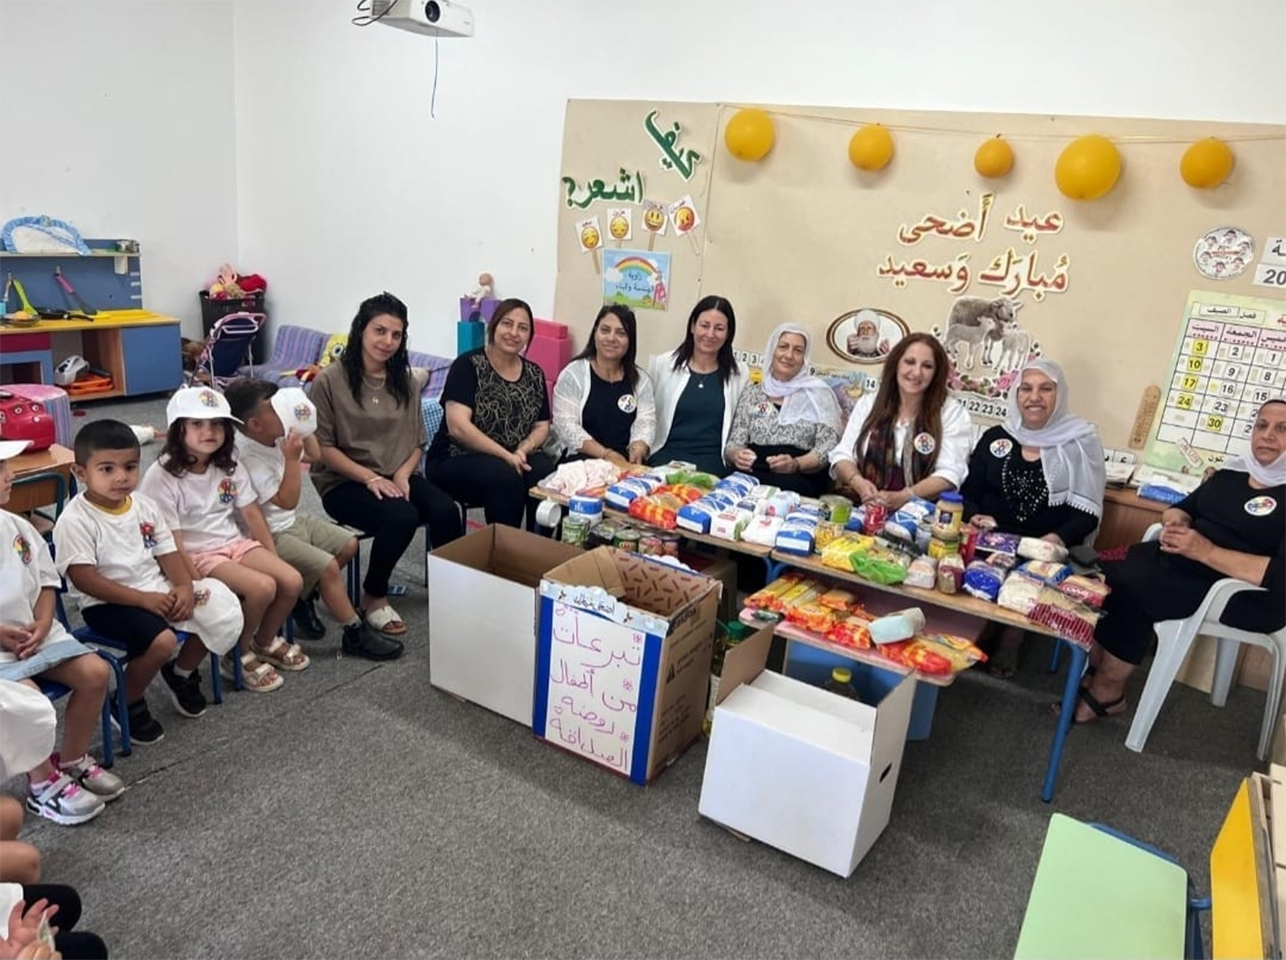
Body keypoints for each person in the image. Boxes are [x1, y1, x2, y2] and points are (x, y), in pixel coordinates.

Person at [1066, 398, 1286, 724]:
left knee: (1135, 590)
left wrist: (1206, 551)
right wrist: (1176, 524)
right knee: (1099, 571)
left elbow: (1280, 576)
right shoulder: (1232, 474)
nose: (1267, 435)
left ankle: (1109, 692)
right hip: (1181, 562)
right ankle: (1097, 667)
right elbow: (1181, 508)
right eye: (1262, 425)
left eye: (1282, 429)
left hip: (1242, 593)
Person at [54, 420, 243, 737]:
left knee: (220, 606)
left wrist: (184, 587)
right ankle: (126, 700)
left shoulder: (144, 506)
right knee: (163, 641)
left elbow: (167, 553)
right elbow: (85, 580)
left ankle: (180, 672)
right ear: (80, 473)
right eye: (107, 469)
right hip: (107, 604)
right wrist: (144, 600)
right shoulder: (75, 520)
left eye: (130, 467)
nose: (121, 477)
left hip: (156, 590)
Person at [311, 293, 463, 637]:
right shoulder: (329, 381)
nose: (387, 341)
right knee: (402, 516)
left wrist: (403, 475)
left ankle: (452, 591)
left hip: (397, 472)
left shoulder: (405, 381)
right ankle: (373, 596)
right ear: (361, 330)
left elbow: (417, 442)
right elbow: (323, 449)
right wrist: (370, 478)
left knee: (445, 510)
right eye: (379, 331)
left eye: (396, 334)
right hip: (344, 480)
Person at [140, 388, 307, 694]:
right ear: (178, 429)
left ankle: (263, 641)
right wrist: (195, 583)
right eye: (197, 424)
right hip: (197, 554)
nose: (209, 431)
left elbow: (252, 513)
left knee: (291, 580)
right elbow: (171, 539)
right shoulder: (161, 475)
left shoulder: (228, 461)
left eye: (217, 424)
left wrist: (272, 556)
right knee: (262, 588)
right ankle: (237, 654)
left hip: (234, 542)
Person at [224, 379, 402, 661]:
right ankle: (354, 633)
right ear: (255, 424)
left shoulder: (274, 431)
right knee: (328, 568)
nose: (283, 409)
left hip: (291, 521)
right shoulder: (247, 455)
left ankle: (302, 595)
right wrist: (292, 460)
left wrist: (304, 423)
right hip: (268, 533)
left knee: (349, 544)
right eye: (276, 407)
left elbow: (316, 454)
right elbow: (287, 500)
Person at [960, 360, 1106, 676]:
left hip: (1045, 546)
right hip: (992, 538)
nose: (1034, 397)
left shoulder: (1080, 442)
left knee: (1030, 575)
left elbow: (1087, 513)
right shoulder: (996, 437)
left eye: (1045, 389)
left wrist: (1054, 540)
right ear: (1016, 394)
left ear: (1059, 395)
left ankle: (1011, 639)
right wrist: (975, 516)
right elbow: (968, 492)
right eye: (1026, 388)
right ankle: (980, 626)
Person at [0, 442, 120, 826]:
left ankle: (71, 758)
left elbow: (46, 582)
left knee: (96, 673)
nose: (10, 475)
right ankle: (42, 784)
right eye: (0, 469)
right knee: (27, 703)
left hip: (36, 633)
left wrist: (41, 622)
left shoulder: (16, 525)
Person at [426, 297, 555, 528]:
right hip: (456, 457)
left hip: (512, 455)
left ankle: (535, 543)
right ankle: (502, 546)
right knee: (505, 477)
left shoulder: (534, 373)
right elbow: (458, 428)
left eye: (522, 328)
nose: (513, 333)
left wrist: (523, 448)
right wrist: (506, 456)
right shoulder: (467, 365)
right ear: (494, 326)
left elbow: (542, 426)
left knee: (544, 470)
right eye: (507, 323)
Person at [829, 332, 972, 508]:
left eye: (927, 366)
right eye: (910, 362)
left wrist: (905, 496)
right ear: (896, 363)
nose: (917, 372)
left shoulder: (951, 413)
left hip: (921, 514)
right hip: (863, 505)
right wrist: (858, 483)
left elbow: (949, 474)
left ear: (936, 373)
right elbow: (843, 455)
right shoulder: (870, 403)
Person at [724, 324, 842, 497]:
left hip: (799, 479)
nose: (789, 355)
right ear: (772, 351)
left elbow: (828, 448)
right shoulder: (753, 392)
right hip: (753, 475)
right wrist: (737, 455)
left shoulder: (820, 395)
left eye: (798, 350)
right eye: (783, 347)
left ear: (804, 358)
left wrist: (796, 464)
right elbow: (734, 442)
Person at [649, 295, 748, 476]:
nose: (710, 334)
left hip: (713, 464)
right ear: (692, 326)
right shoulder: (663, 364)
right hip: (665, 458)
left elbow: (740, 426)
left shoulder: (740, 373)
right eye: (704, 325)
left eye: (719, 328)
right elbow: (648, 415)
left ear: (728, 334)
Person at [547, 305, 656, 466]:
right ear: (595, 334)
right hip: (582, 459)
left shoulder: (641, 380)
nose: (611, 338)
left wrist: (638, 448)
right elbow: (566, 426)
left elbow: (645, 422)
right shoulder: (573, 374)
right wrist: (605, 454)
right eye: (605, 330)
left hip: (625, 461)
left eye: (621, 333)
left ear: (630, 340)